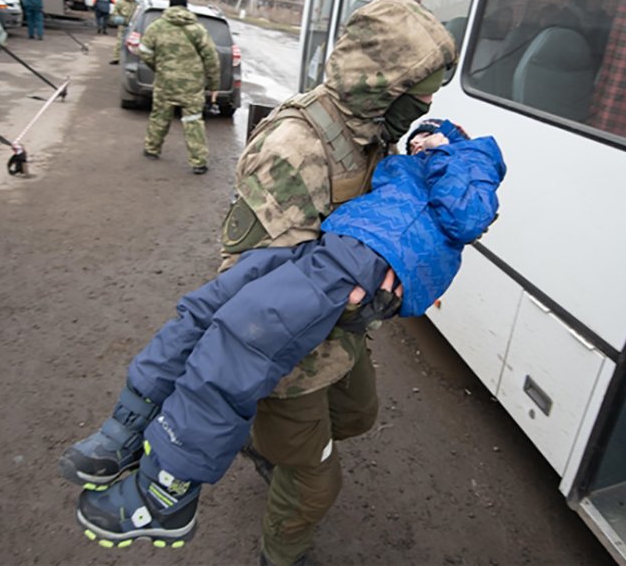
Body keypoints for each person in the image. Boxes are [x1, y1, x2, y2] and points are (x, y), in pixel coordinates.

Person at [62, 0, 456, 565]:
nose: (426, 105)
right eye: (420, 94)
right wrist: (368, 291)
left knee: (357, 416)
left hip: (338, 342)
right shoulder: (296, 147)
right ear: (380, 85)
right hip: (285, 360)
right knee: (316, 487)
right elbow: (252, 298)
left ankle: (260, 440)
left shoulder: (367, 129)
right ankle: (280, 553)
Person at [63, 118, 504, 551]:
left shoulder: (471, 162)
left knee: (246, 338)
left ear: (459, 142)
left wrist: (442, 154)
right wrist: (427, 151)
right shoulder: (406, 161)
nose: (420, 141)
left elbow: (466, 216)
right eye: (419, 135)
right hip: (338, 245)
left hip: (366, 257)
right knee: (216, 299)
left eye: (432, 134)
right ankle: (132, 418)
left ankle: (167, 492)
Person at [139, 0, 219, 174]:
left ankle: (152, 149)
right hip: (192, 87)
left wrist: (158, 67)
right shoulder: (198, 30)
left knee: (159, 116)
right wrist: (214, 85)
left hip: (165, 83)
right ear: (186, 6)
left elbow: (144, 51)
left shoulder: (156, 27)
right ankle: (199, 162)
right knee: (193, 121)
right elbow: (211, 59)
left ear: (170, 5)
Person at [109, 0, 137, 65]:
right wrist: (119, 19)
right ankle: (116, 58)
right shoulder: (121, 2)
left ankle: (128, 59)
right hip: (122, 24)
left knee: (131, 43)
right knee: (120, 42)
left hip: (132, 25)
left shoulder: (135, 3)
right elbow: (115, 12)